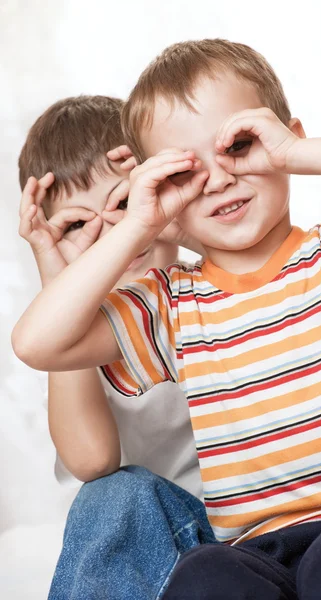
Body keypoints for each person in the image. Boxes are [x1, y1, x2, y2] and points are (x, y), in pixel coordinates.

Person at [13, 39, 321, 599]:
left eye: (240, 146)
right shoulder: (170, 307)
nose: (218, 178)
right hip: (247, 548)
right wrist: (138, 223)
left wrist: (294, 153)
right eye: (187, 173)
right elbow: (34, 343)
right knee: (202, 577)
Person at [17, 95, 213, 600]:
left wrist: (174, 220)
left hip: (282, 524)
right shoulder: (79, 342)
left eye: (124, 203)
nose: (113, 233)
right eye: (78, 225)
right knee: (111, 497)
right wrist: (58, 275)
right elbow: (92, 460)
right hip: (178, 545)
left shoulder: (216, 284)